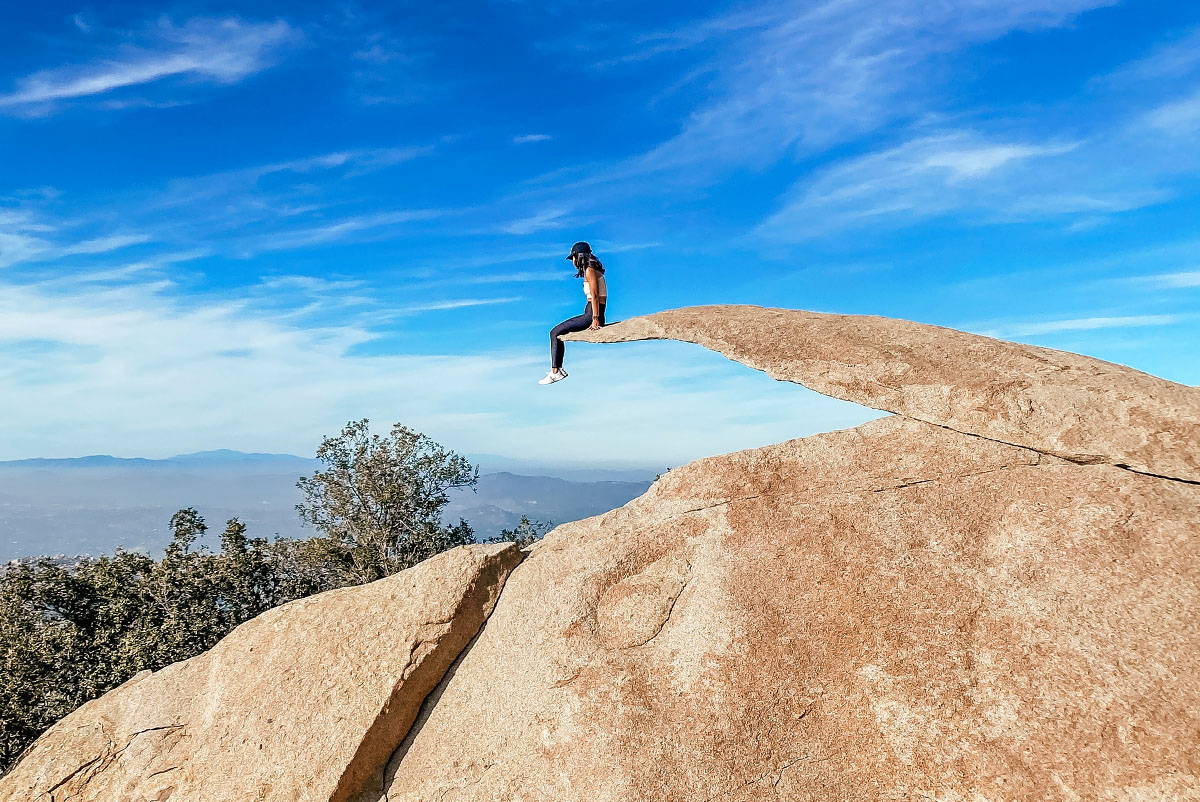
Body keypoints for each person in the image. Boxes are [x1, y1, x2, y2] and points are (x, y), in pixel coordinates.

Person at [539, 241, 606, 385]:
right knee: (558, 333)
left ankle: (555, 372)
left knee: (554, 332)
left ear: (579, 256)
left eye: (573, 258)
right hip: (592, 311)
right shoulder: (591, 270)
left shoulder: (590, 270)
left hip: (592, 314)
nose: (573, 262)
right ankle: (558, 370)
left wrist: (595, 319)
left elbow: (594, 295)